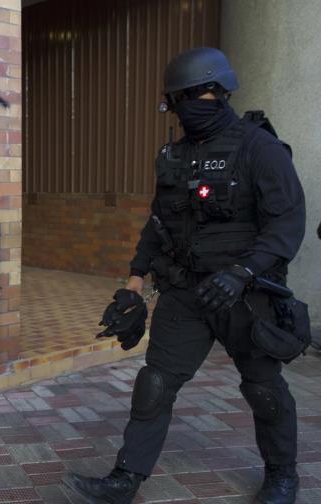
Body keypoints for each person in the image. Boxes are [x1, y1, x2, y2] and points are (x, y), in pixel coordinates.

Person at [64, 47, 307, 504]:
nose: (181, 110)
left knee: (264, 390)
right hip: (185, 293)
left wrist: (242, 272)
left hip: (245, 296)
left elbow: (287, 225)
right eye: (175, 102)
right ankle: (125, 478)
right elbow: (158, 224)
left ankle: (282, 477)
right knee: (154, 385)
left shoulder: (261, 148)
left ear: (216, 92)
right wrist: (132, 284)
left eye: (187, 99)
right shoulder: (173, 156)